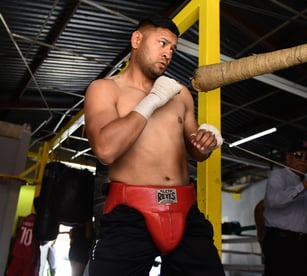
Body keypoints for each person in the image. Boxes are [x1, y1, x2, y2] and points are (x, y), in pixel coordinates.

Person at [84, 15, 225, 276]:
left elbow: (195, 150)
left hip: (185, 210)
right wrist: (151, 101)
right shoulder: (105, 89)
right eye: (162, 43)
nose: (168, 53)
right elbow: (105, 150)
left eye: (172, 48)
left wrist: (207, 141)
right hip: (130, 213)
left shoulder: (180, 93)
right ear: (137, 39)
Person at [262, 140, 307, 276]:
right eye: (298, 155)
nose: (303, 160)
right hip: (282, 245)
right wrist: (304, 187)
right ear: (288, 157)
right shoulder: (278, 175)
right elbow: (274, 200)